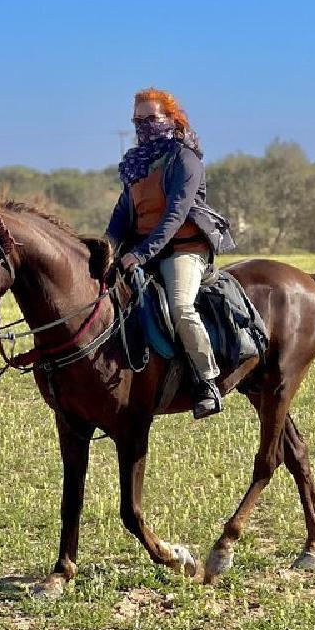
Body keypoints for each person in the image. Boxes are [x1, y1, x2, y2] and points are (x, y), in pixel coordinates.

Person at [106, 88, 236, 419]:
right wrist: (106, 248)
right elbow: (123, 213)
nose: (144, 125)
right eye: (138, 120)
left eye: (152, 118)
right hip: (143, 250)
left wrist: (141, 253)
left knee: (180, 306)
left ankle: (207, 380)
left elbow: (175, 214)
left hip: (183, 250)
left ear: (172, 119)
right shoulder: (136, 165)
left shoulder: (185, 158)